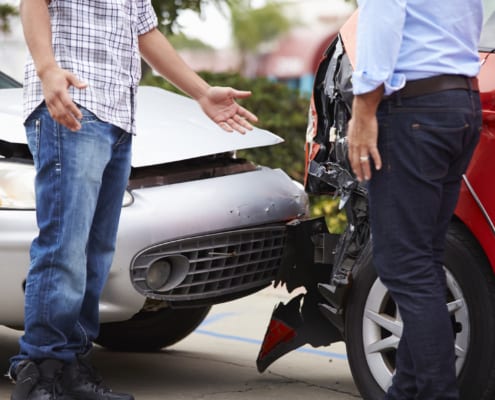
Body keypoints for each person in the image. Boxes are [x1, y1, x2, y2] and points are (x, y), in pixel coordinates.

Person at [9, 1, 258, 399]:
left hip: (118, 117)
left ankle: (72, 368)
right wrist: (47, 68)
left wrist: (202, 92)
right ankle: (42, 372)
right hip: (72, 105)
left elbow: (146, 33)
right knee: (64, 248)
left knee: (95, 254)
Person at [347, 1, 483, 399]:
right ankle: (405, 391)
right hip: (460, 105)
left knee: (405, 266)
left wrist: (363, 109)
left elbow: (382, 19)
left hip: (414, 111)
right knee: (423, 261)